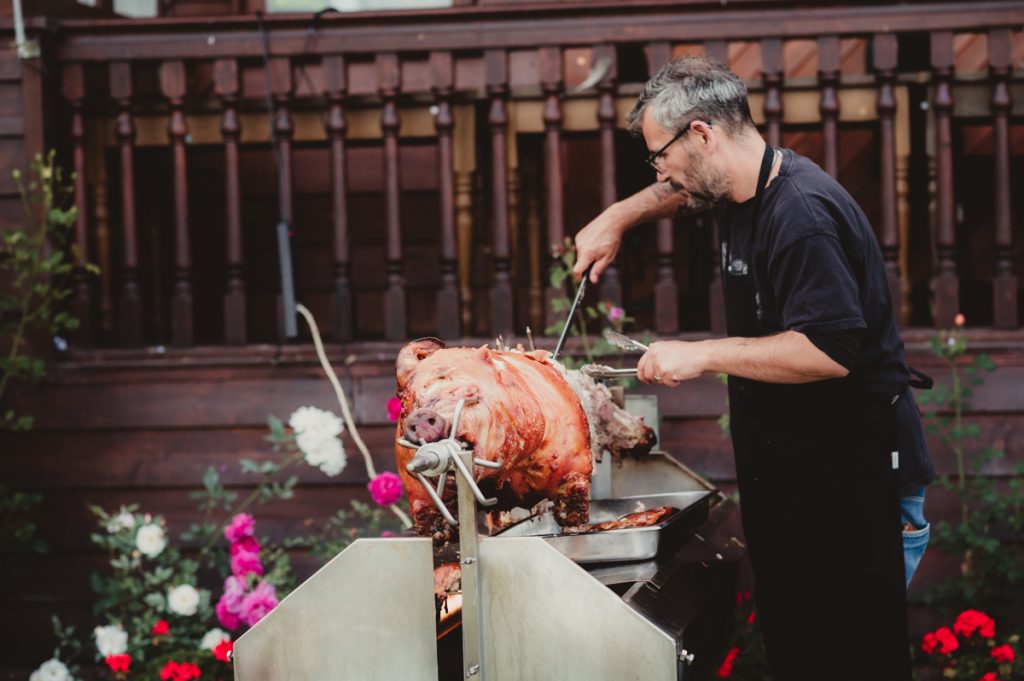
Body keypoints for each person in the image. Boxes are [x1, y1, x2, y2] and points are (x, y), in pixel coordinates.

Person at [573, 56, 934, 681]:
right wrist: (616, 218)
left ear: (703, 134)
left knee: (850, 661)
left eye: (660, 154)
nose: (660, 170)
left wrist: (703, 353)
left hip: (850, 484)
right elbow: (677, 191)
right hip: (797, 479)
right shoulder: (738, 186)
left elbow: (829, 350)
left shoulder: (802, 217)